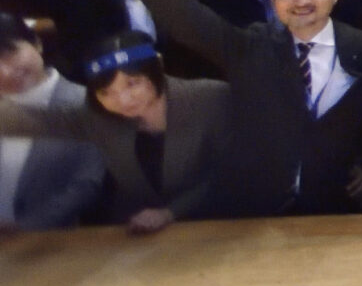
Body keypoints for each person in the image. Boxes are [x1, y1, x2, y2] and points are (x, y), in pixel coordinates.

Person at [115, 0, 362, 216]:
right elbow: (190, 22)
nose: (301, 0)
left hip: (336, 209)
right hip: (253, 211)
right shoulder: (250, 46)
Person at [0, 31, 225, 231]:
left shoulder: (209, 98)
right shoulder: (100, 117)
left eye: (132, 83)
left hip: (220, 224)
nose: (123, 100)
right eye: (106, 92)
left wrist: (170, 212)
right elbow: (36, 122)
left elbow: (226, 172)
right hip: (139, 235)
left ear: (157, 67)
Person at [0, 13, 107, 229]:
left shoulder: (86, 105)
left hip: (51, 240)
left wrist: (26, 227)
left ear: (37, 43)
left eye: (10, 53)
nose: (5, 72)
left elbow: (86, 183)